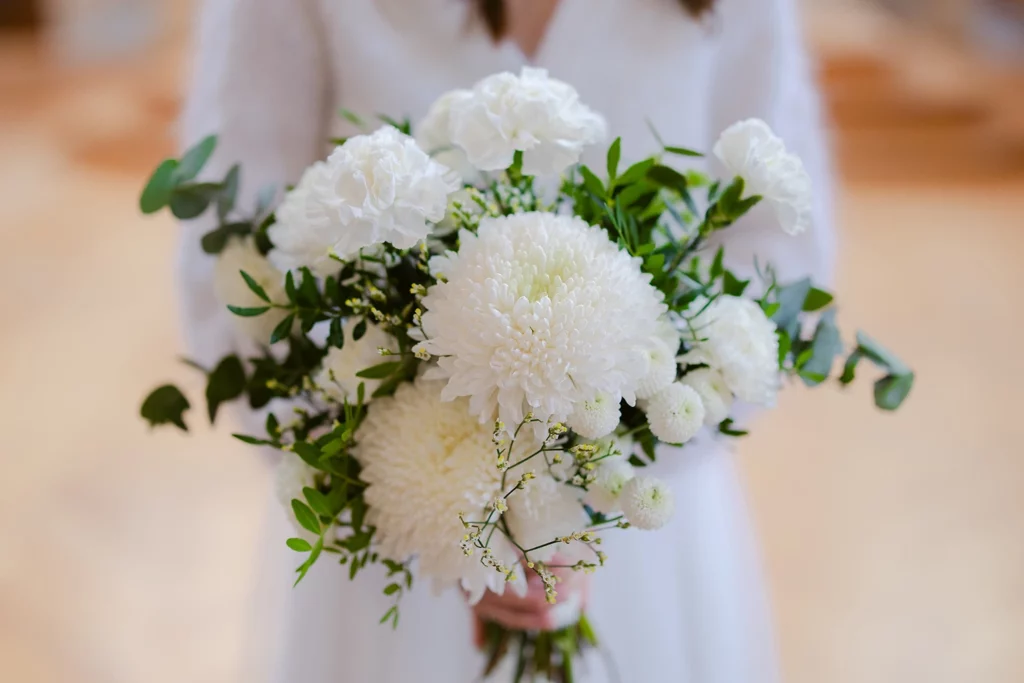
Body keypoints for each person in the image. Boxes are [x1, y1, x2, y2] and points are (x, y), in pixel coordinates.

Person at [177, 0, 835, 680]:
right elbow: (230, 253)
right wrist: (433, 502)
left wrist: (586, 484)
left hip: (642, 527)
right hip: (400, 530)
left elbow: (778, 254)